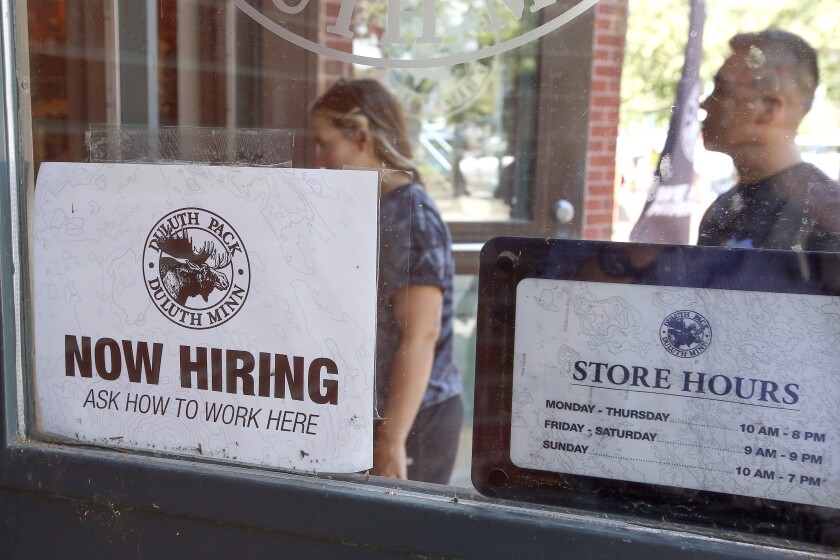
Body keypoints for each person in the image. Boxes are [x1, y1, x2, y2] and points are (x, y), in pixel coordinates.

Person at [309, 79, 463, 483]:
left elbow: (421, 334)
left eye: (324, 143)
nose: (318, 159)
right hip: (375, 416)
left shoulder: (410, 216)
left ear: (361, 137)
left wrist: (391, 440)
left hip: (414, 421)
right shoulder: (369, 206)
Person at [697, 29, 840, 251]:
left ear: (767, 109)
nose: (704, 104)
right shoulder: (722, 211)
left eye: (722, 90)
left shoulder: (825, 218)